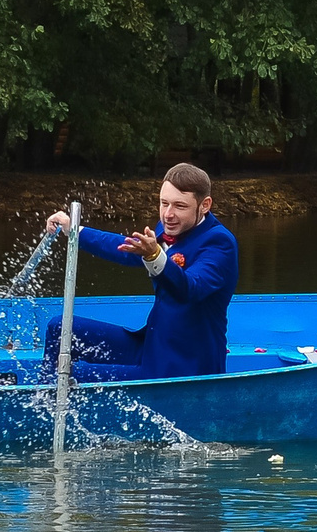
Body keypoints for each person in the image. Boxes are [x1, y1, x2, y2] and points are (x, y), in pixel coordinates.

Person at [41, 163, 238, 381]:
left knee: (71, 375)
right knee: (59, 328)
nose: (168, 214)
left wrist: (154, 255)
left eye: (180, 206)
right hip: (151, 346)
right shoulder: (173, 226)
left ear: (205, 205)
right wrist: (75, 231)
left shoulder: (219, 243)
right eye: (164, 203)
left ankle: (48, 399)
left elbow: (189, 288)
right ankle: (44, 400)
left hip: (183, 365)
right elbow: (128, 249)